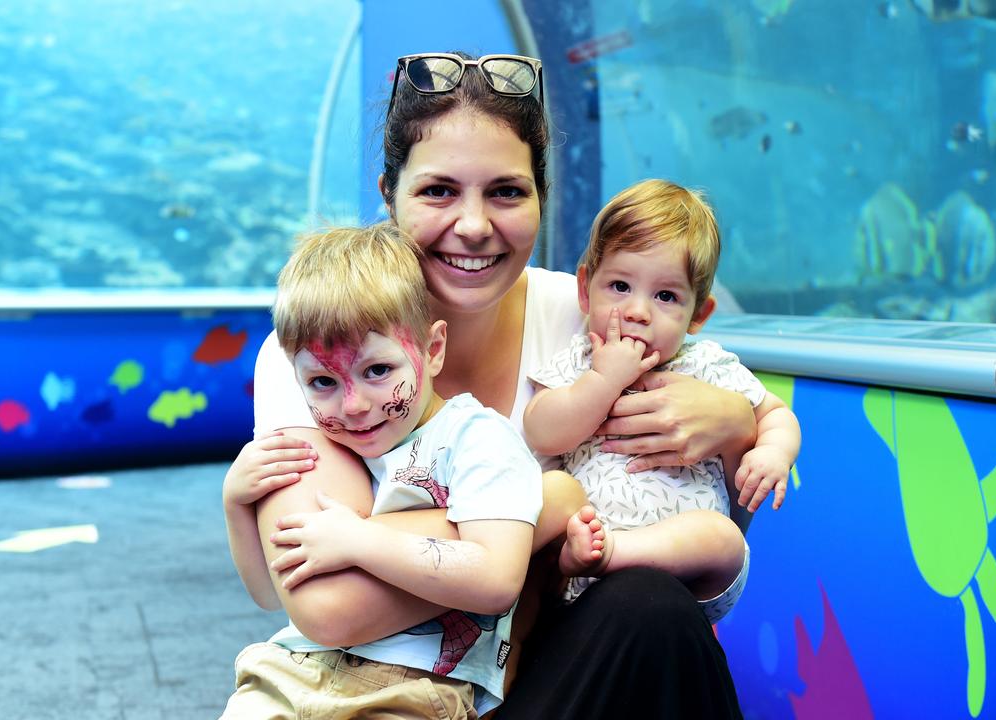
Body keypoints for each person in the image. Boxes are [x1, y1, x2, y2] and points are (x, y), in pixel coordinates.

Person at [242, 51, 759, 719]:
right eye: (438, 191)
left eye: (506, 191)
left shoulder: (598, 320)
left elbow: (714, 555)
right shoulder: (315, 353)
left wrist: (738, 425)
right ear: (387, 194)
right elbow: (328, 607)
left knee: (651, 607)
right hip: (393, 694)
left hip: (556, 672)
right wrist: (540, 510)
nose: (475, 225)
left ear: (543, 197)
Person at [222, 224, 544, 717]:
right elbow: (269, 596)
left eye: (377, 371)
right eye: (323, 380)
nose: (353, 405)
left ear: (433, 350)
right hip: (290, 669)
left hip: (413, 688)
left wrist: (359, 540)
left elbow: (497, 576)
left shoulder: (477, 439)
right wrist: (236, 505)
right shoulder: (329, 448)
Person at [523, 179, 801, 623]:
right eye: (619, 286)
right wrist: (601, 380)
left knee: (722, 538)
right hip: (585, 565)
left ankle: (615, 553)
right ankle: (599, 551)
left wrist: (773, 451)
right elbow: (541, 430)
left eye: (666, 296)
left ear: (698, 315)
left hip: (687, 573)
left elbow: (774, 413)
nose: (637, 310)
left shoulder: (706, 364)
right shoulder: (579, 360)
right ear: (584, 289)